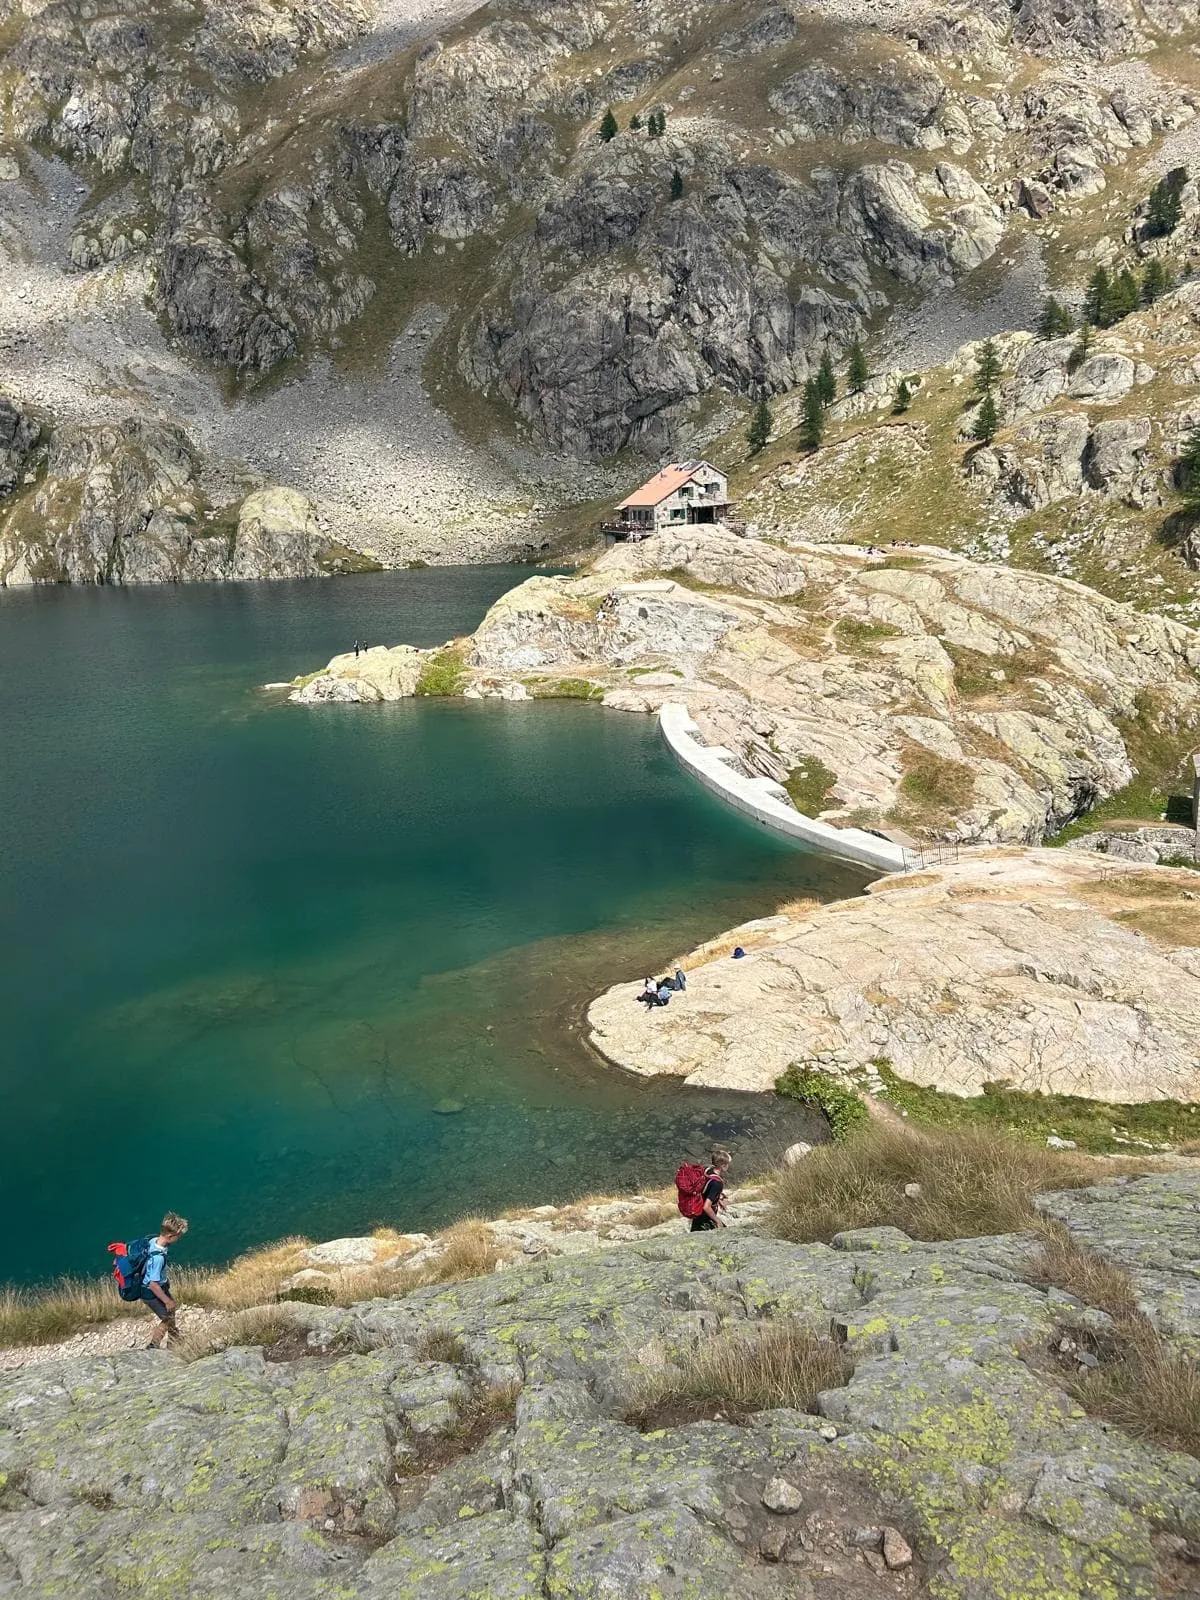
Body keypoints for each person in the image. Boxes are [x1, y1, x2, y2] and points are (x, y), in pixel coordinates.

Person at [142, 1212, 189, 1348]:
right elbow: (152, 1284)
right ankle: (153, 1346)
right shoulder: (158, 1258)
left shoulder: (153, 1241)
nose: (179, 1239)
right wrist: (166, 1300)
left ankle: (174, 1339)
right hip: (150, 1292)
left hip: (160, 1287)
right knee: (167, 1318)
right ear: (170, 1236)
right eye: (178, 1236)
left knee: (171, 1311)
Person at [691, 1150, 731, 1232]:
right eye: (728, 1164)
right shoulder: (717, 1183)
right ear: (723, 1166)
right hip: (704, 1218)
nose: (728, 1166)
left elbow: (707, 1188)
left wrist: (718, 1199)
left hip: (697, 1215)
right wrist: (717, 1220)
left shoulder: (708, 1170)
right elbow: (706, 1207)